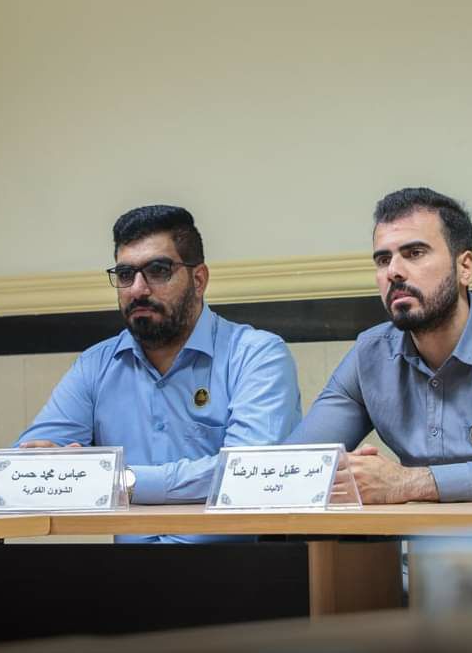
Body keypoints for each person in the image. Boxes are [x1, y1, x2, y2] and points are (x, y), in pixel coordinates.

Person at [16, 205, 302, 541]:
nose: (138, 289)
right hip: (127, 569)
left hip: (237, 566)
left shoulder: (256, 355)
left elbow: (251, 475)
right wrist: (46, 470)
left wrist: (121, 481)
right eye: (125, 275)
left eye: (158, 270)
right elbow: (26, 471)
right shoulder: (96, 365)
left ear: (198, 280)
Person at [287, 187, 472, 503]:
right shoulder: (370, 354)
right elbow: (291, 468)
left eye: (415, 253)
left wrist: (410, 483)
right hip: (423, 536)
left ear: (465, 268)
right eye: (383, 259)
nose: (394, 272)